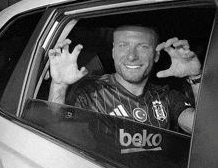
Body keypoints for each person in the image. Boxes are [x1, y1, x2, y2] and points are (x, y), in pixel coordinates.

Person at [48, 25, 202, 134]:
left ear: (156, 56)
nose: (131, 56)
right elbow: (56, 133)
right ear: (114, 52)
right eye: (123, 46)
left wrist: (196, 77)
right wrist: (59, 85)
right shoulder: (90, 92)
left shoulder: (166, 96)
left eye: (143, 47)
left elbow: (204, 129)